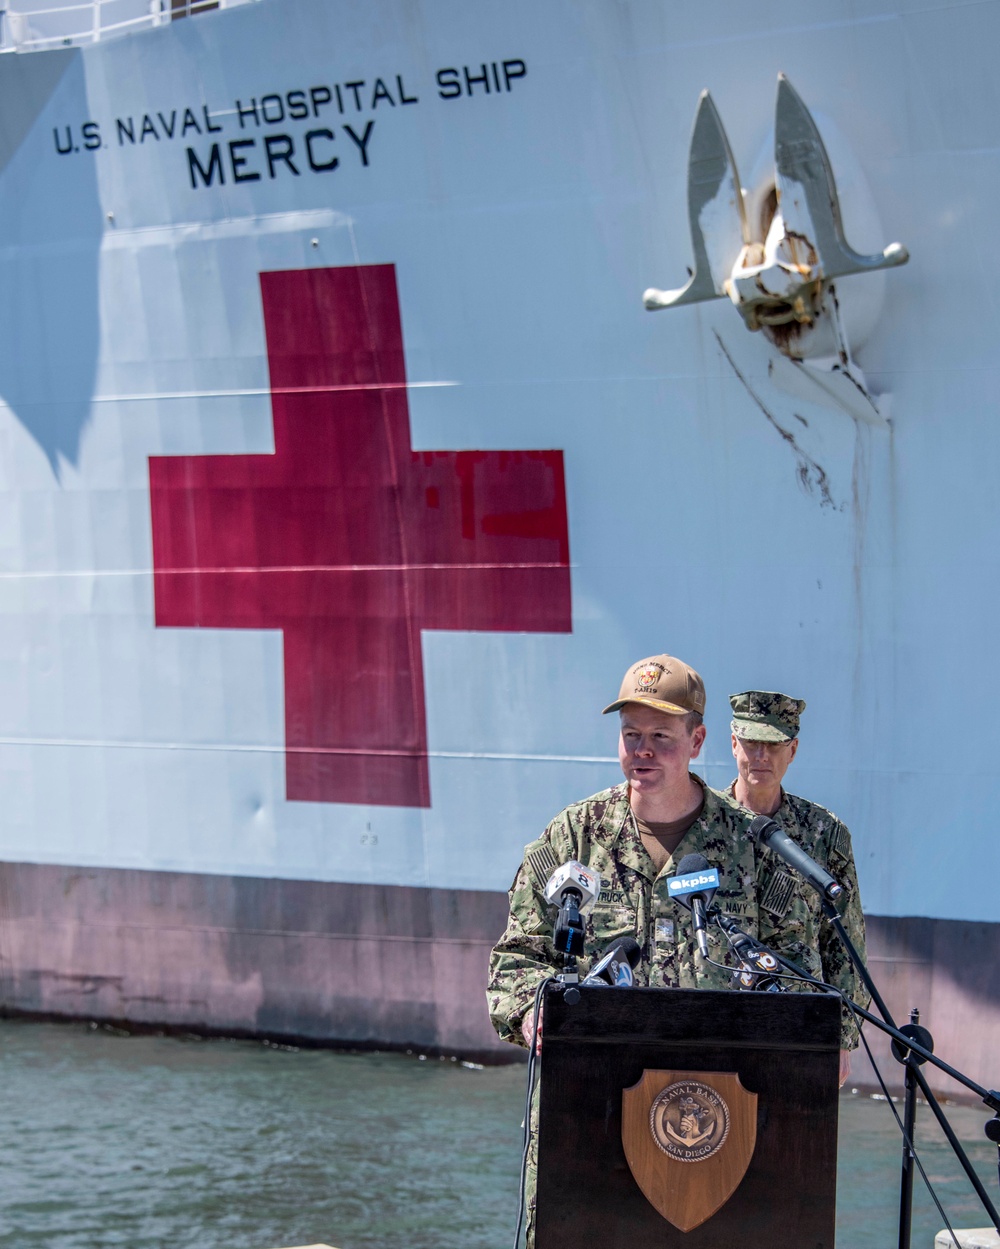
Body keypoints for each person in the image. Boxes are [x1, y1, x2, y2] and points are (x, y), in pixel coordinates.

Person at [486, 655, 868, 1244]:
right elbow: (516, 958)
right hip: (593, 1123)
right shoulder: (574, 836)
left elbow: (798, 972)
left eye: (661, 737)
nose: (643, 751)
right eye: (631, 735)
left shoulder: (753, 844)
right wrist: (531, 1011)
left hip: (726, 1134)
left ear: (697, 740)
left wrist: (830, 1038)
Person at [724, 690, 869, 1085]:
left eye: (774, 745)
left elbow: (845, 942)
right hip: (718, 1017)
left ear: (793, 750)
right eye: (752, 743)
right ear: (733, 742)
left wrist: (842, 1038)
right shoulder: (703, 823)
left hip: (799, 1018)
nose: (761, 756)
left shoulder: (824, 832)